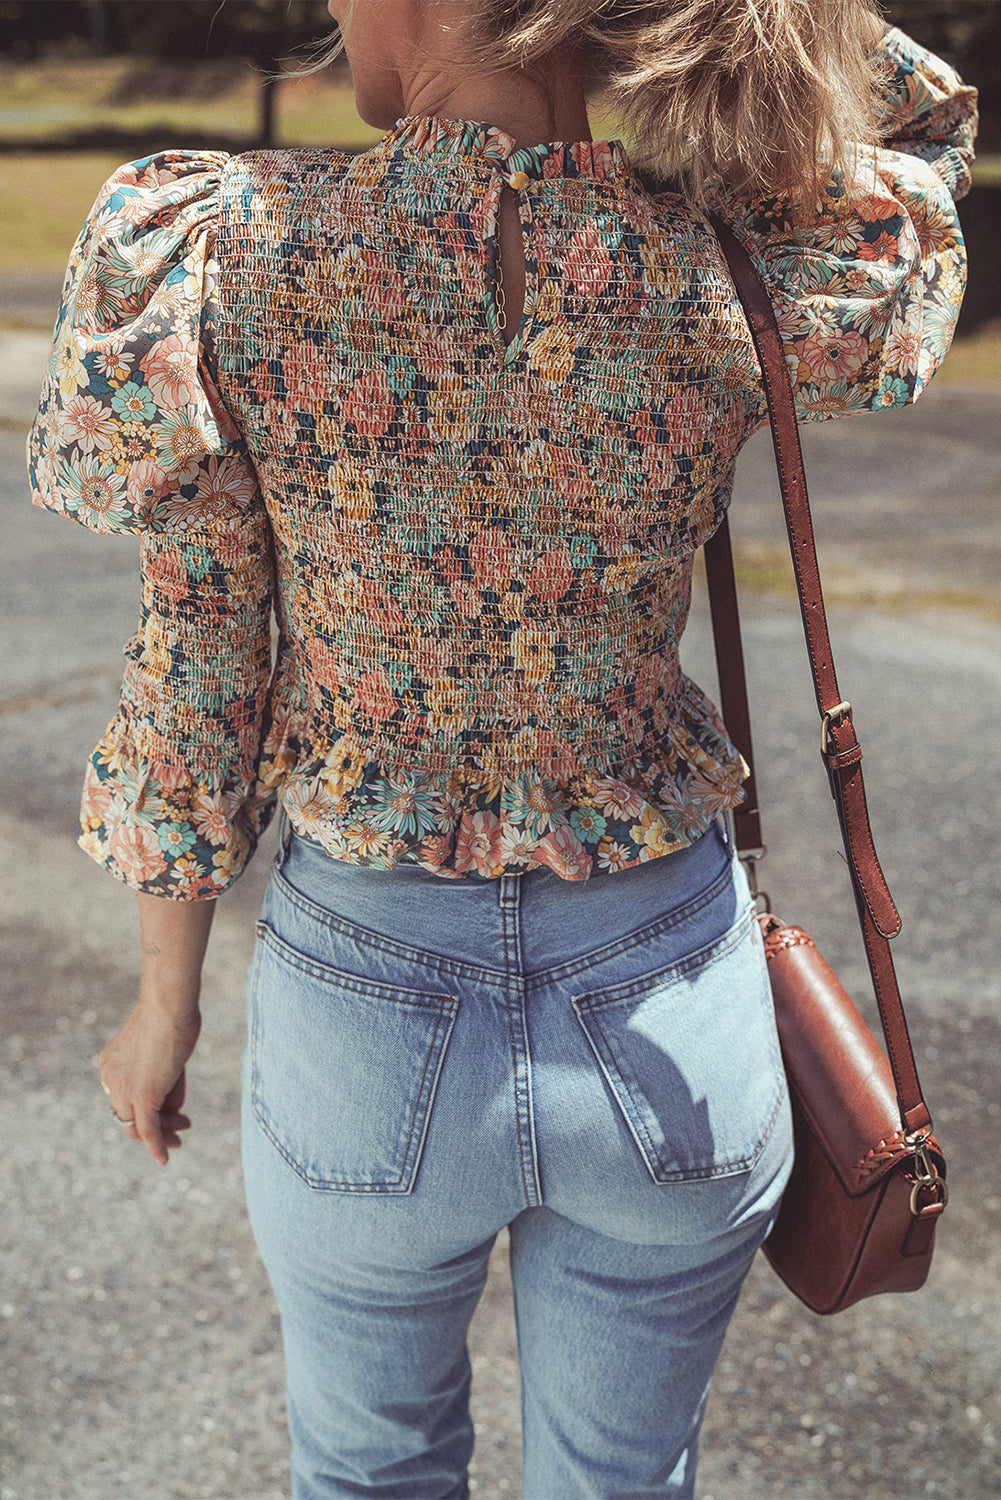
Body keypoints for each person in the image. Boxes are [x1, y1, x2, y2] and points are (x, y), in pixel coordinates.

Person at [28, 0, 976, 1494]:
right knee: (624, 1478)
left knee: (366, 1470)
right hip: (668, 994)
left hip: (366, 1003)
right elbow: (918, 131)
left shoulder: (223, 247)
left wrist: (165, 1009)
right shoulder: (730, 249)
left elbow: (197, 674)